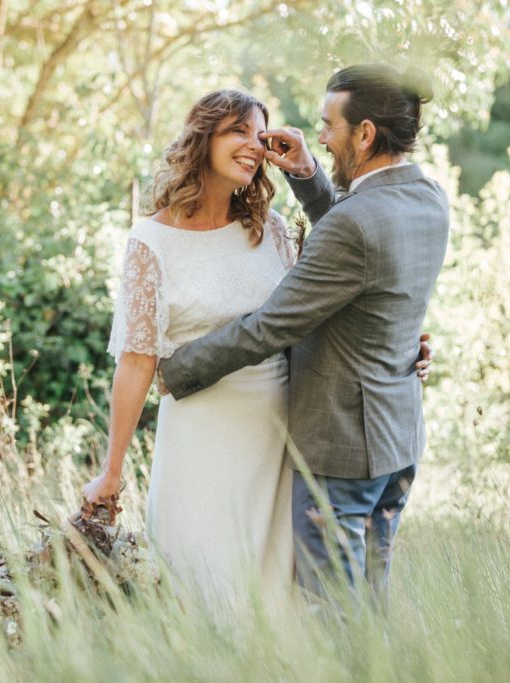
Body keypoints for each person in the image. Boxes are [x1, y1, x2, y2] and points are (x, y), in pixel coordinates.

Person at [83, 88, 431, 600]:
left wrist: (398, 341)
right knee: (204, 586)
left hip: (282, 439)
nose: (253, 143)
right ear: (203, 139)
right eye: (237, 130)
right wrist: (111, 472)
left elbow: (317, 305)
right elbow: (137, 363)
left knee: (276, 600)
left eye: (259, 133)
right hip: (201, 437)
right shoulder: (150, 242)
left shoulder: (268, 231)